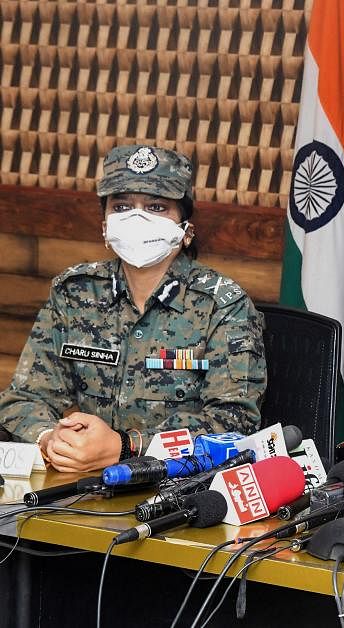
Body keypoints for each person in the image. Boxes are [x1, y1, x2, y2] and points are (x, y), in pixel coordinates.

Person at [0, 145, 266, 472]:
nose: (137, 217)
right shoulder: (74, 293)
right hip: (80, 483)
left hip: (178, 488)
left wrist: (127, 446)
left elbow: (235, 424)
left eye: (156, 207)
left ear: (186, 232)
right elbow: (24, 398)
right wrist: (50, 439)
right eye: (122, 206)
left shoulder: (223, 304)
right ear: (105, 227)